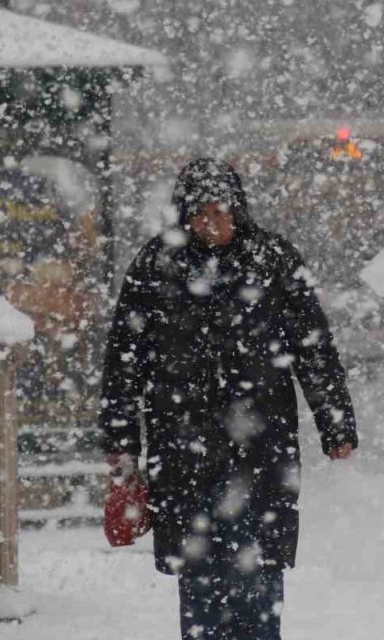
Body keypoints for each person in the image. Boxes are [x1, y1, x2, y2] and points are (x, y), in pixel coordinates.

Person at [99, 158, 358, 640]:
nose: (211, 223)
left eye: (221, 212)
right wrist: (120, 442)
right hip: (184, 447)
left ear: (238, 210)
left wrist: (335, 422)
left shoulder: (273, 258)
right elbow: (124, 361)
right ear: (185, 214)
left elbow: (313, 347)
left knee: (257, 572)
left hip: (260, 446)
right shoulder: (158, 263)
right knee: (200, 578)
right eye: (201, 213)